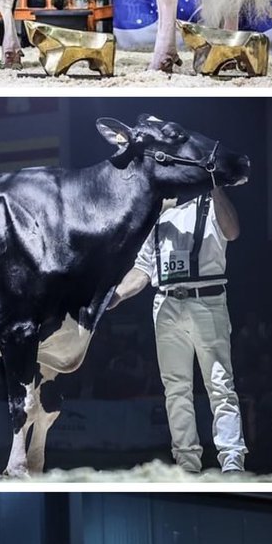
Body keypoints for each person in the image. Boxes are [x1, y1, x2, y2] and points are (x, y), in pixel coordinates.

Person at [109, 187, 247, 473]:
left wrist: (215, 185)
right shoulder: (159, 214)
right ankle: (187, 464)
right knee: (175, 389)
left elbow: (232, 232)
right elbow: (143, 269)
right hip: (167, 302)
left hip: (206, 298)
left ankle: (232, 462)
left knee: (220, 385)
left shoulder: (210, 202)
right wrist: (117, 294)